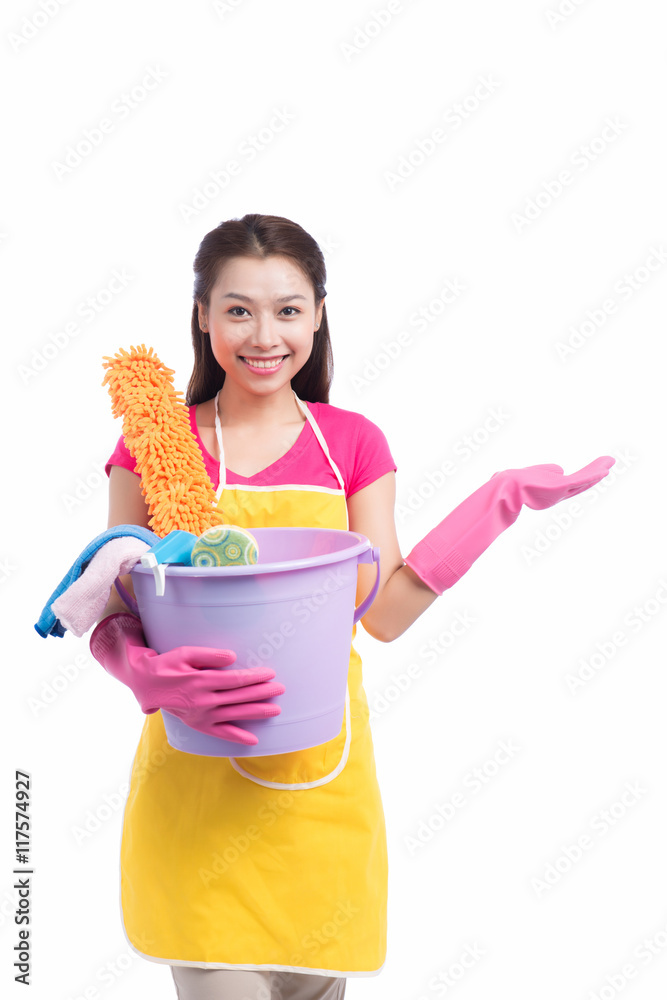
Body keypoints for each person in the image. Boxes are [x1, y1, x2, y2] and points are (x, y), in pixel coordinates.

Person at [89, 213, 614, 1000]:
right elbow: (112, 596)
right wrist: (144, 676)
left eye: (287, 309)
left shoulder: (353, 443)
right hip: (197, 793)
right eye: (237, 309)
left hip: (319, 792)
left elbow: (384, 613)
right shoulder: (153, 443)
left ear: (318, 315)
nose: (264, 334)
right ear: (202, 316)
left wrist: (497, 501)